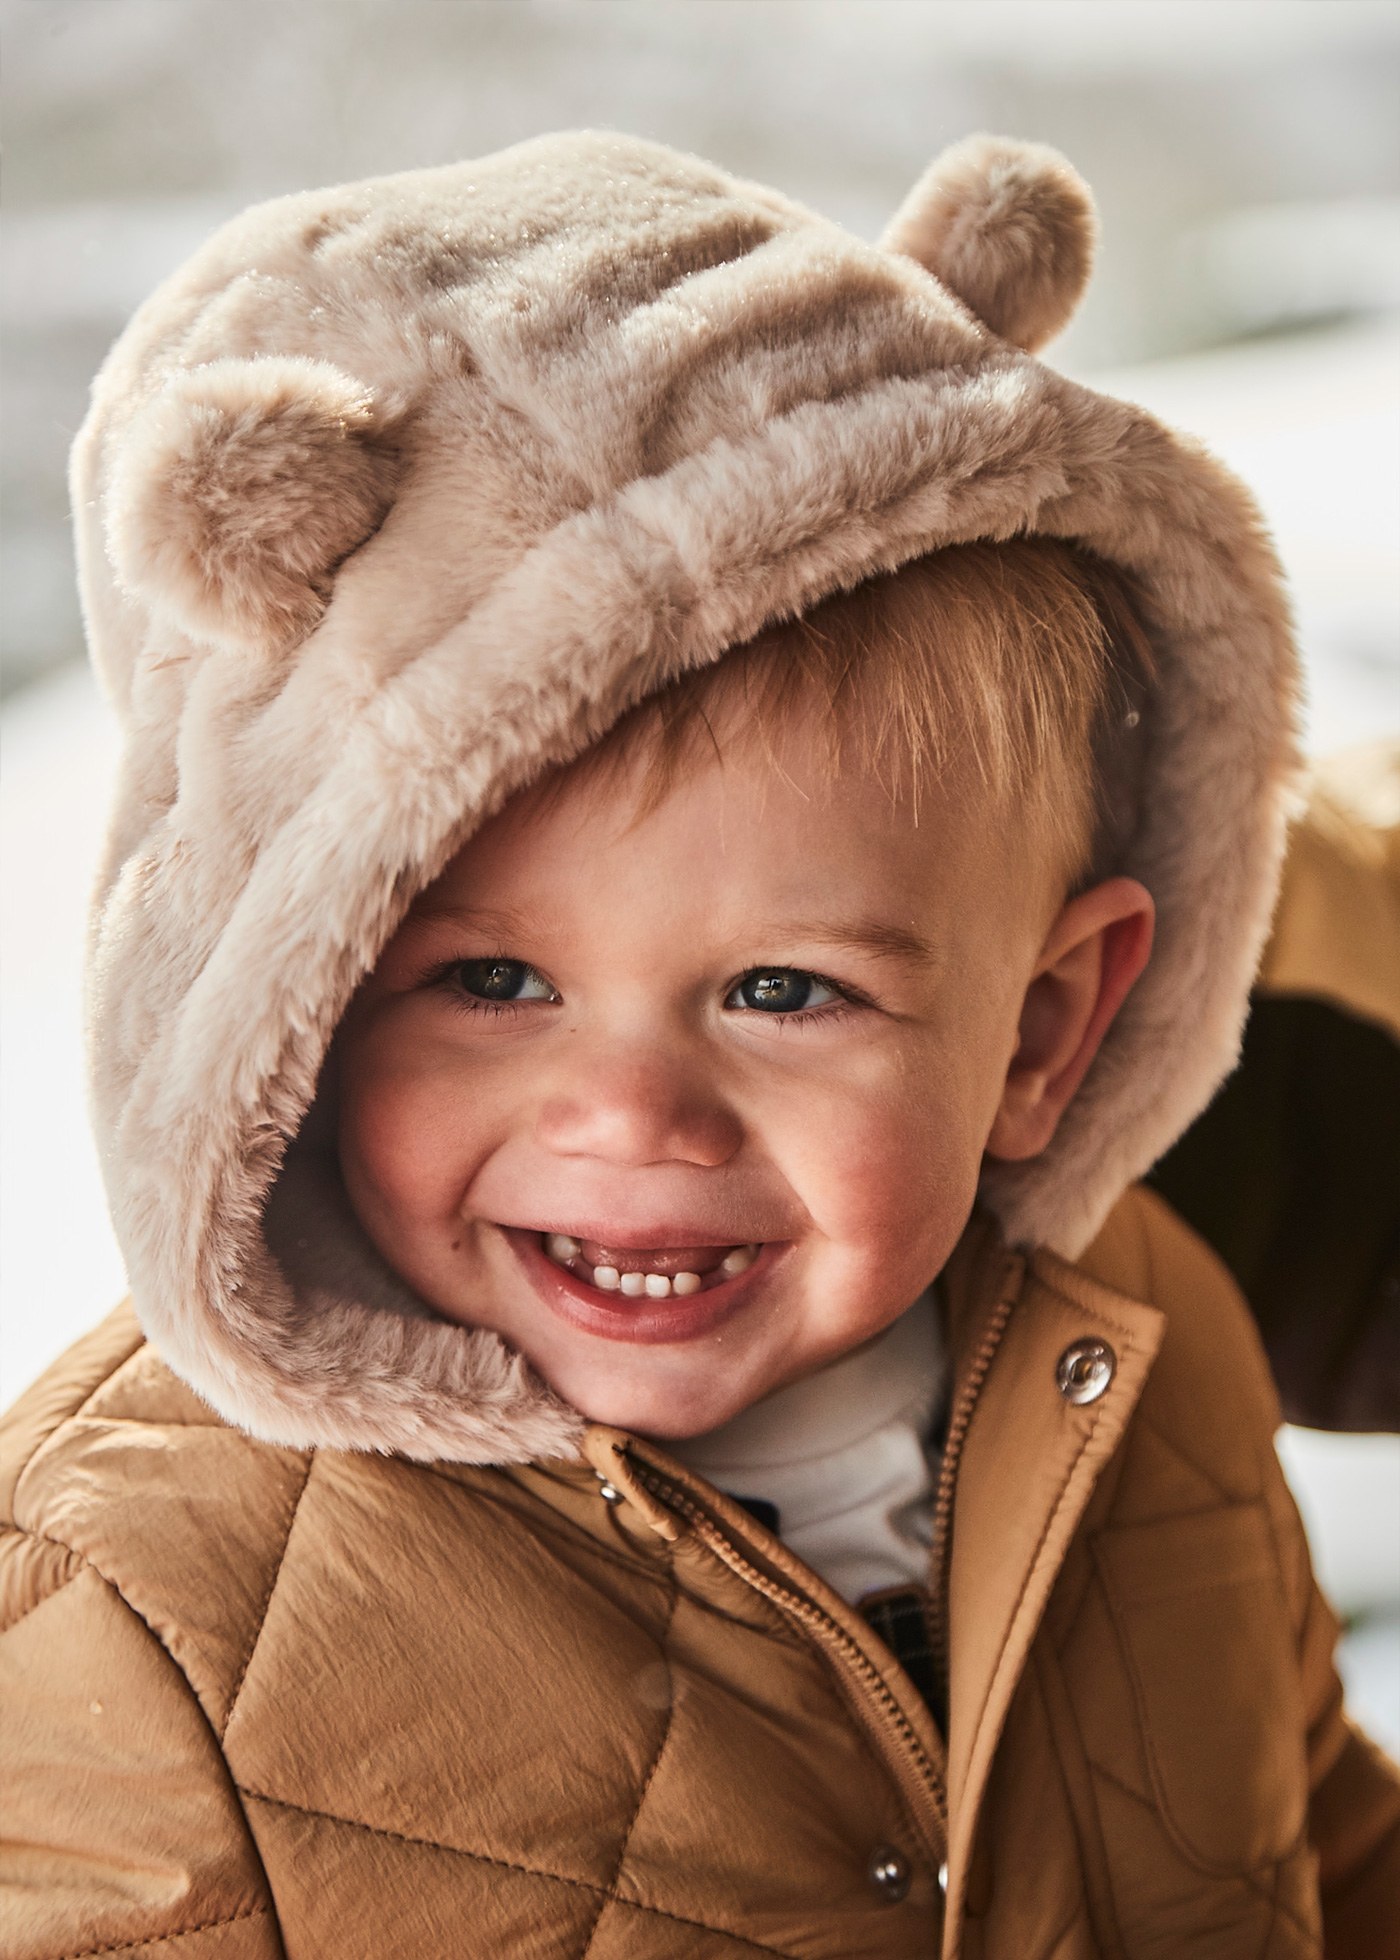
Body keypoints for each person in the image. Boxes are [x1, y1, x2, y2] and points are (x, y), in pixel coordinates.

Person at [2, 130, 1397, 1959]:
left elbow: (1312, 1846)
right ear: (293, 1002)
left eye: (784, 991)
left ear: (1043, 1031)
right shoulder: (135, 1612)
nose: (636, 1118)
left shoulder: (1147, 1345)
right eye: (491, 984)